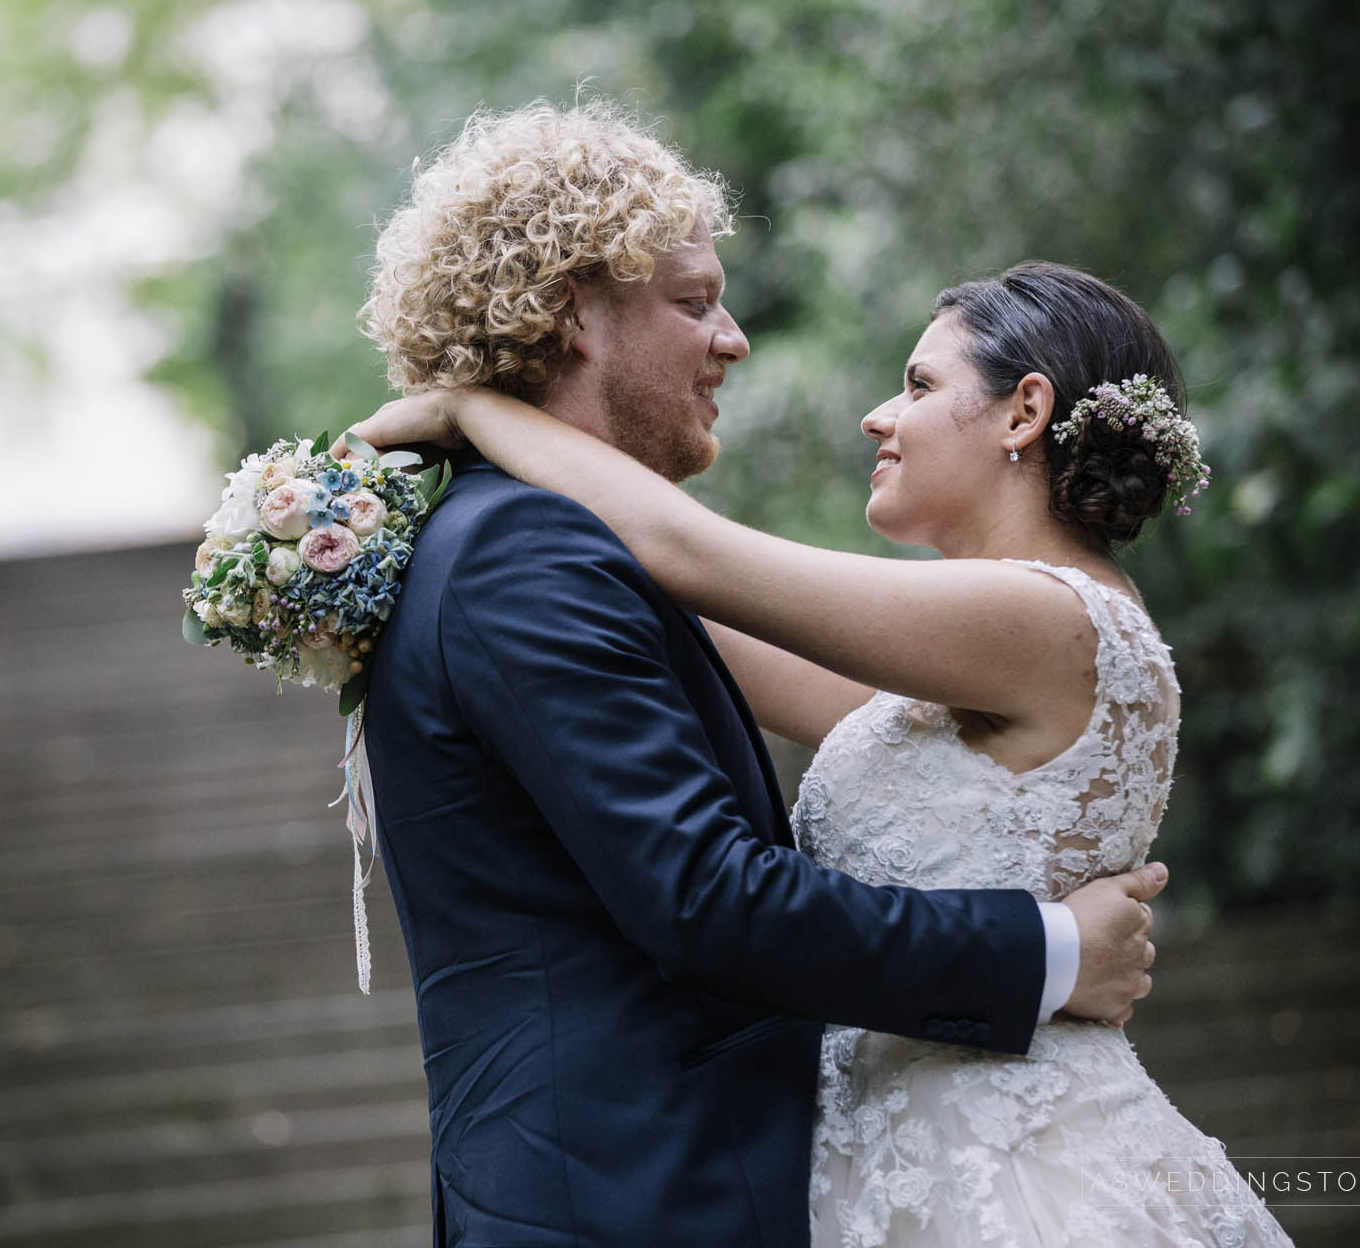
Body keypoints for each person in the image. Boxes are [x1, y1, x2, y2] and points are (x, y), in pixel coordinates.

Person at [343, 100, 1170, 1247]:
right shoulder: (526, 551)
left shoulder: (1039, 618)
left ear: (1025, 412)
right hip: (638, 1196)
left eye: (918, 387)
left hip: (970, 1169)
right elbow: (708, 888)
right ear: (571, 314)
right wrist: (1055, 950)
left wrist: (468, 410)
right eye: (694, 302)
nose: (733, 338)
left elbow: (688, 559)